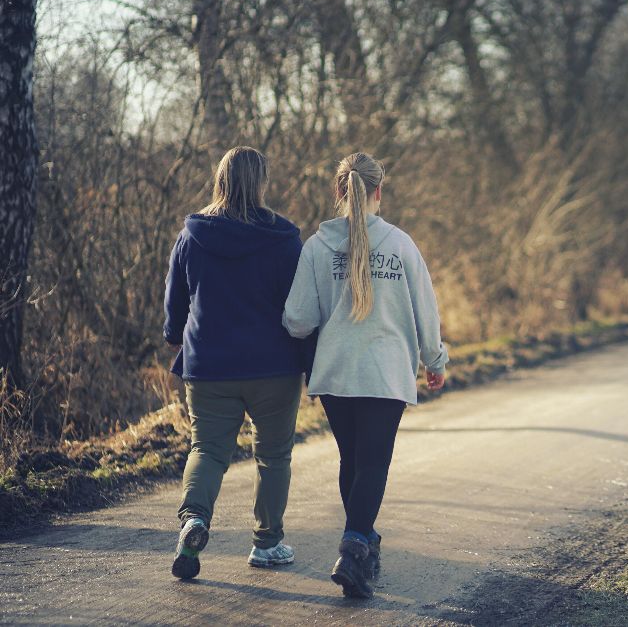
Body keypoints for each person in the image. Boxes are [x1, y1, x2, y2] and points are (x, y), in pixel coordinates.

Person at [283, 152, 448, 599]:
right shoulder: (399, 244)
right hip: (385, 372)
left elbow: (297, 319)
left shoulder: (317, 247)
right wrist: (435, 362)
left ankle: (363, 544)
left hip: (335, 372)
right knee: (373, 464)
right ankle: (354, 547)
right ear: (378, 191)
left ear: (339, 191)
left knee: (353, 462)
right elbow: (425, 311)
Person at [163, 146, 308, 580]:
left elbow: (175, 306)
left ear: (220, 179)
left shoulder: (193, 234)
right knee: (273, 456)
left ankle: (194, 520)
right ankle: (267, 545)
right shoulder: (283, 238)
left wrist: (176, 335)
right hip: (275, 367)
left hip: (209, 366)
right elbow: (300, 308)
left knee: (207, 450)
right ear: (260, 182)